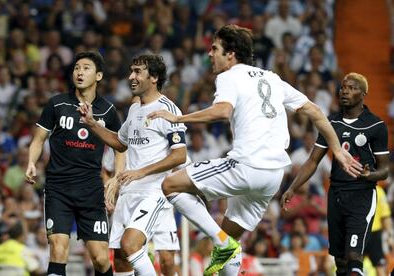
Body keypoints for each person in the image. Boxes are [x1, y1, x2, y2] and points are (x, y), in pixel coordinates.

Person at [147, 24, 362, 276]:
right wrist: (336, 148)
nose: (209, 54)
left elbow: (222, 111)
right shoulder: (271, 77)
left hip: (245, 166)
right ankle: (225, 244)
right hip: (272, 178)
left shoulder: (228, 76)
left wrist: (177, 119)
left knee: (170, 185)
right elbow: (314, 110)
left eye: (214, 48)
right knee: (229, 244)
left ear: (231, 54)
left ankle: (221, 241)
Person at [78, 53, 187, 276]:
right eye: (131, 71)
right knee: (120, 257)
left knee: (139, 249)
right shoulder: (135, 110)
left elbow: (180, 156)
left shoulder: (169, 110)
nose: (131, 77)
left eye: (137, 72)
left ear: (154, 77)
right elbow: (120, 142)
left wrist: (140, 172)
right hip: (129, 193)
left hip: (154, 192)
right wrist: (91, 124)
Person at [281, 72, 389, 276]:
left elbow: (385, 169)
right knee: (339, 262)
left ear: (363, 94)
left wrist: (369, 175)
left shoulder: (376, 126)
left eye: (352, 88)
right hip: (336, 194)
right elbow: (313, 160)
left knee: (354, 257)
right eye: (343, 87)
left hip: (362, 195)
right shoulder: (330, 123)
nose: (345, 91)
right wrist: (292, 187)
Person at [25, 51, 121, 276]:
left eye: (86, 68)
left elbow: (120, 146)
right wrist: (31, 162)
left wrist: (116, 178)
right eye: (77, 67)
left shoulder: (108, 111)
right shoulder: (57, 104)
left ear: (98, 76)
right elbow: (38, 139)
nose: (79, 71)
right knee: (58, 250)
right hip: (59, 189)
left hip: (91, 191)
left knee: (99, 257)